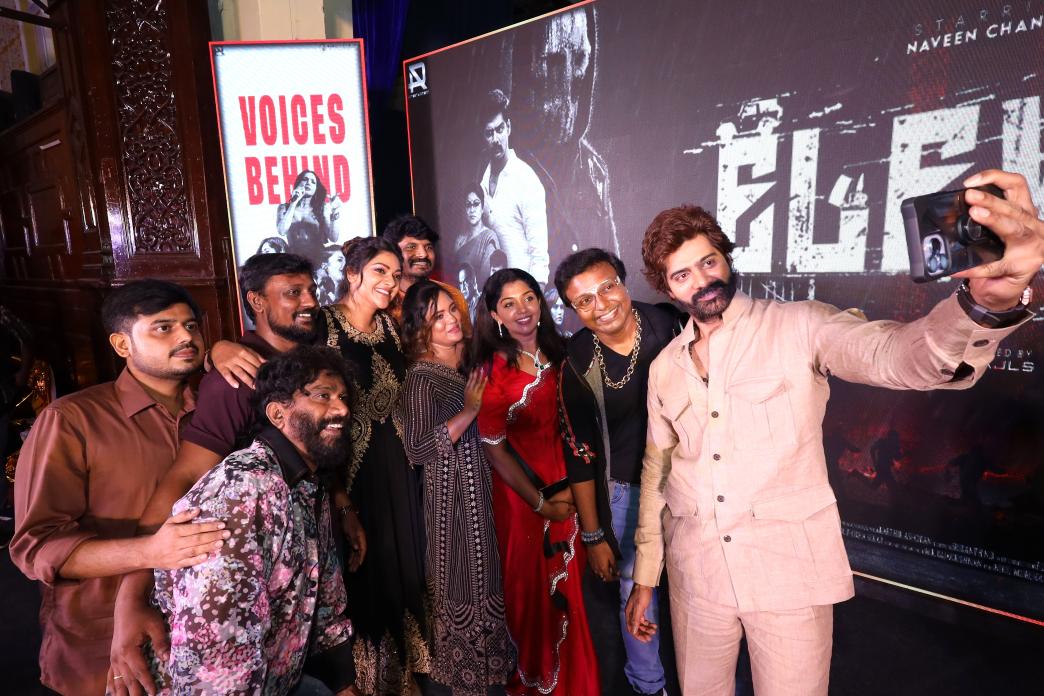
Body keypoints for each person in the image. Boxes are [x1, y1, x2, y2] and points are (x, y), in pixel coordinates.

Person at [625, 169, 1044, 696]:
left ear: (726, 258)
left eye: (709, 262)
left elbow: (895, 355)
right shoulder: (664, 368)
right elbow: (657, 474)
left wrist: (984, 305)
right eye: (682, 274)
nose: (702, 281)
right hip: (696, 579)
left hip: (788, 579)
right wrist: (646, 577)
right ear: (667, 287)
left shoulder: (801, 325)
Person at [108, 254, 367, 695]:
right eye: (292, 293)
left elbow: (315, 450)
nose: (309, 302)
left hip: (296, 568)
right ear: (256, 301)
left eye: (310, 290)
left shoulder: (307, 360)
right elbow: (185, 477)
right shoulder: (236, 382)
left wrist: (342, 504)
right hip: (238, 560)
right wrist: (131, 599)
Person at [9, 280, 228, 695]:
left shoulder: (215, 415)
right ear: (122, 344)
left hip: (205, 633)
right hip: (101, 641)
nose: (185, 337)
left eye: (191, 326)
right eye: (163, 327)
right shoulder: (73, 420)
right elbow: (36, 546)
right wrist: (150, 551)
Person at [153, 346, 358, 695]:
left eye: (343, 398)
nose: (342, 409)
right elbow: (216, 654)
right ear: (278, 413)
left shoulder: (309, 484)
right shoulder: (243, 489)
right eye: (323, 396)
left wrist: (344, 685)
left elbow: (326, 600)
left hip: (278, 680)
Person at [554, 249, 677, 696]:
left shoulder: (669, 325)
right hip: (626, 491)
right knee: (636, 594)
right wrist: (593, 536)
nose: (601, 304)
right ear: (573, 310)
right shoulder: (578, 358)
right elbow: (579, 454)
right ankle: (648, 686)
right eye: (584, 300)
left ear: (623, 283)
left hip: (689, 482)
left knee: (697, 590)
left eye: (607, 287)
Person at [471, 268, 600, 695]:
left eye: (529, 298)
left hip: (575, 487)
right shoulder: (493, 372)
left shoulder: (563, 350)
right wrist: (541, 504)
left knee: (580, 596)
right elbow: (495, 450)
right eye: (508, 304)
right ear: (495, 315)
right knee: (537, 600)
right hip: (525, 501)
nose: (522, 310)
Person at [322, 236, 432, 694]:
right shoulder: (325, 326)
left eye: (395, 273)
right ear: (352, 274)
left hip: (398, 469)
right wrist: (341, 499)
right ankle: (368, 681)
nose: (390, 281)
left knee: (403, 565)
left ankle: (405, 674)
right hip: (352, 474)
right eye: (380, 271)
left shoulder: (389, 326)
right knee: (365, 572)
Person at [398, 280, 511, 695]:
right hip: (454, 508)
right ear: (420, 329)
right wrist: (469, 411)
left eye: (451, 309)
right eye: (437, 317)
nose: (450, 320)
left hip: (491, 495)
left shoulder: (470, 364)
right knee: (466, 592)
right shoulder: (421, 379)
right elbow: (418, 448)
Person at [509, 6, 620, 262]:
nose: (571, 79)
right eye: (555, 61)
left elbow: (615, 264)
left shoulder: (595, 170)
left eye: (580, 58)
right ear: (531, 71)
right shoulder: (508, 172)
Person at [478, 90, 550, 284]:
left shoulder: (527, 180)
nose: (495, 139)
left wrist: (534, 297)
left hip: (522, 290)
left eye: (500, 129)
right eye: (489, 133)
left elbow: (539, 258)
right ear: (483, 137)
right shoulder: (481, 183)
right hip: (493, 292)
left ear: (508, 127)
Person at [382, 214, 471, 333]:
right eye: (411, 247)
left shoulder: (453, 296)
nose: (423, 254)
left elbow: (466, 341)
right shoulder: (384, 301)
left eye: (428, 247)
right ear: (392, 253)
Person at [276, 169, 343, 265]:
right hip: (295, 260)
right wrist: (293, 202)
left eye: (313, 182)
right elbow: (282, 231)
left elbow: (333, 238)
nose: (308, 183)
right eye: (305, 179)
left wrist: (335, 211)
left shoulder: (322, 208)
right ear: (298, 183)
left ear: (315, 189)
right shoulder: (284, 208)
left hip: (317, 260)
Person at [454, 182, 502, 284]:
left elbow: (489, 280)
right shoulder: (460, 240)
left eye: (476, 204)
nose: (472, 210)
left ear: (482, 207)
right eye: (468, 205)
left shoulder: (489, 238)